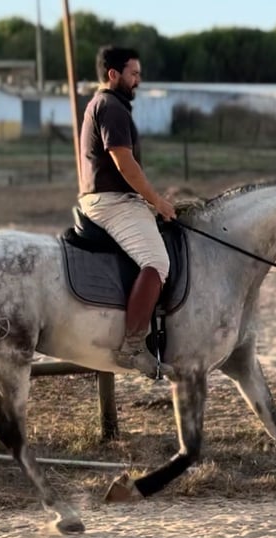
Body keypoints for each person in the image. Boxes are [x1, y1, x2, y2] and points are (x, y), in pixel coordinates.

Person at [78, 45, 176, 378]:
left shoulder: (105, 104)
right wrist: (156, 201)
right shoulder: (111, 106)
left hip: (115, 198)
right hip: (112, 202)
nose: (138, 80)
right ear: (113, 74)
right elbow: (125, 164)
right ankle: (132, 347)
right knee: (158, 262)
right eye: (134, 74)